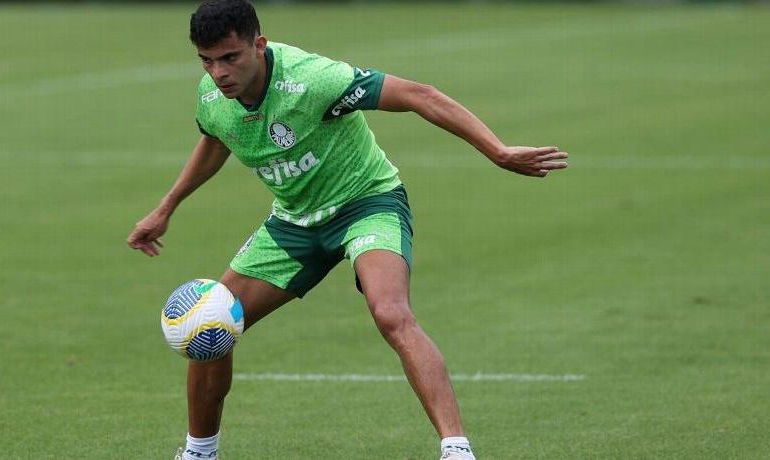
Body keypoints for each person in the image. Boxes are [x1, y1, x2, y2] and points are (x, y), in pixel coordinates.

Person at [127, 1, 568, 459]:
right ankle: (199, 453)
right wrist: (166, 208)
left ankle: (456, 449)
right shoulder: (213, 96)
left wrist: (497, 151)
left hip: (366, 205)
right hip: (294, 222)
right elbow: (218, 138)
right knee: (211, 323)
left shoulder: (314, 80)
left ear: (259, 45)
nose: (218, 72)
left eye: (230, 57)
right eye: (207, 60)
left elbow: (420, 94)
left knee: (390, 313)